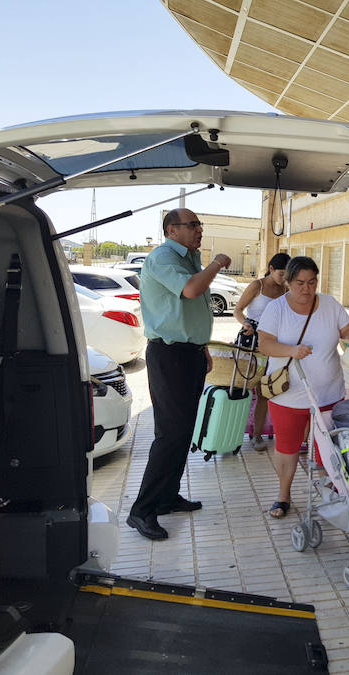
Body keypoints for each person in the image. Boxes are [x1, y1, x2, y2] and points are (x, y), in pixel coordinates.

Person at [127, 208, 232, 541]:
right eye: (193, 225)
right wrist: (216, 263)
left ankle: (167, 497)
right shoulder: (162, 259)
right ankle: (141, 511)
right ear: (171, 230)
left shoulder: (188, 256)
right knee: (170, 434)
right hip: (168, 355)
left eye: (200, 224)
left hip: (188, 353)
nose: (199, 229)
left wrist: (200, 347)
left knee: (183, 431)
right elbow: (191, 291)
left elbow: (186, 310)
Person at [258, 256, 349, 519]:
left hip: (328, 394)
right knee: (287, 446)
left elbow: (348, 328)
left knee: (328, 447)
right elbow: (264, 344)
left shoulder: (328, 303)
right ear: (288, 282)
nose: (307, 288)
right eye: (300, 283)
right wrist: (291, 350)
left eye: (312, 282)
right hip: (288, 395)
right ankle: (283, 495)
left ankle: (330, 493)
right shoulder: (277, 309)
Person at [232, 252, 290, 450]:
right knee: (244, 387)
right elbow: (238, 310)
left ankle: (260, 434)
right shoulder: (257, 286)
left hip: (274, 341)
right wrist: (245, 322)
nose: (284, 278)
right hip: (252, 339)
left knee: (268, 389)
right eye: (282, 273)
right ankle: (235, 432)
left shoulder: (286, 288)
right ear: (271, 269)